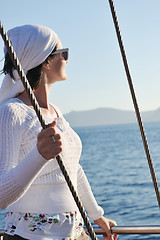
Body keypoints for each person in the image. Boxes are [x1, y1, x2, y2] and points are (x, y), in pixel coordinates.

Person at [0, 24, 118, 240]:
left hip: (75, 233)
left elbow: (74, 169)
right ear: (44, 60)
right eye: (63, 53)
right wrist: (39, 155)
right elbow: (1, 197)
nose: (67, 58)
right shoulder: (11, 112)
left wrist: (97, 216)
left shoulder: (56, 112)